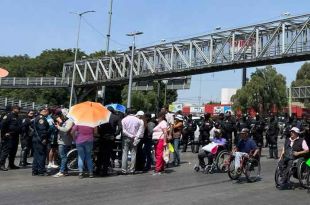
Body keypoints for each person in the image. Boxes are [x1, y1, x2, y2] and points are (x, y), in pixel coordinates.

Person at [97, 106, 122, 176]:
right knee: (107, 155)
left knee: (100, 154)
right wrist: (115, 134)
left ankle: (98, 169)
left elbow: (97, 125)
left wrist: (100, 133)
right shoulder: (116, 117)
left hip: (102, 137)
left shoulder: (102, 116)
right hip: (111, 137)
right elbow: (120, 127)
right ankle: (105, 170)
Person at [121, 109, 144, 174]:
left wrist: (130, 135)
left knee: (124, 153)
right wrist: (136, 136)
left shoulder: (124, 120)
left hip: (126, 138)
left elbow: (124, 131)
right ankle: (132, 169)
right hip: (135, 138)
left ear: (127, 113)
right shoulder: (138, 120)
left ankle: (124, 170)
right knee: (133, 153)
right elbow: (140, 130)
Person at [53, 108, 74, 178]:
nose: (59, 116)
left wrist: (58, 127)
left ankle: (62, 171)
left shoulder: (70, 121)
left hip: (64, 142)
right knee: (64, 156)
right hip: (63, 141)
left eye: (60, 114)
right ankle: (65, 171)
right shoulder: (66, 120)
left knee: (63, 157)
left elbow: (66, 129)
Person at [0, 105, 22, 171]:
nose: (19, 110)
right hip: (9, 136)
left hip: (15, 136)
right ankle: (1, 164)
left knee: (13, 151)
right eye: (18, 109)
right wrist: (4, 133)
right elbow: (2, 125)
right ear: (13, 109)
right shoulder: (8, 116)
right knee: (6, 151)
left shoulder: (17, 116)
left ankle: (11, 164)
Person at [32, 108, 50, 176]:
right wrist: (44, 138)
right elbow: (42, 130)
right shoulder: (41, 118)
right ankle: (41, 171)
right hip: (40, 139)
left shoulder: (36, 117)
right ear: (44, 111)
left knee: (36, 155)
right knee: (41, 155)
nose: (48, 113)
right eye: (47, 112)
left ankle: (35, 170)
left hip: (36, 139)